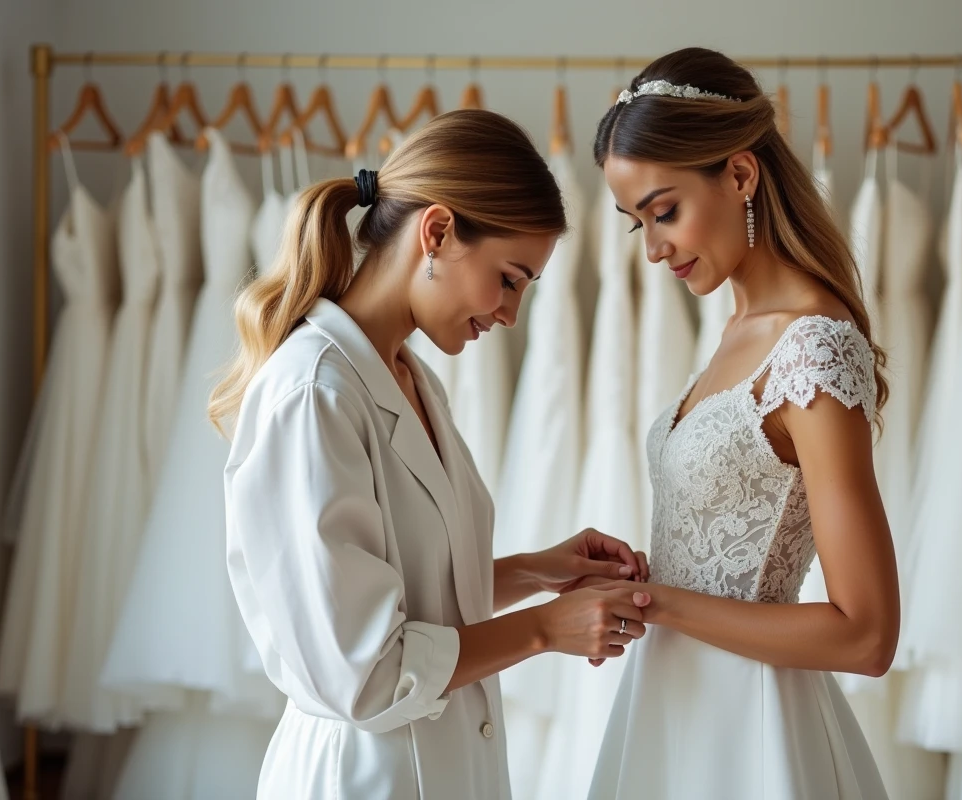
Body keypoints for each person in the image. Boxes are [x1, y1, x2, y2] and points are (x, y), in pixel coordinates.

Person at [210, 110, 651, 800]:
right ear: (438, 232)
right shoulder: (313, 394)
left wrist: (539, 571)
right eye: (509, 279)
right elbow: (364, 670)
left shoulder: (410, 378)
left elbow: (411, 591)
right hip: (362, 776)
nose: (510, 314)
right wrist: (542, 630)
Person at [582, 48, 898, 799]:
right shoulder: (735, 333)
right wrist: (638, 582)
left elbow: (867, 634)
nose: (653, 248)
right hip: (670, 704)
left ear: (741, 175)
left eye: (664, 211)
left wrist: (656, 603)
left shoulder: (812, 347)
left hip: (751, 728)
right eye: (636, 224)